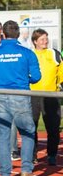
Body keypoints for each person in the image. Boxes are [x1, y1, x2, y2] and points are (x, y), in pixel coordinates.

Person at [0, 21, 41, 176]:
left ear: (3, 34)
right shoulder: (27, 53)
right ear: (18, 34)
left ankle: (5, 174)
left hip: (0, 97)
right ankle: (26, 169)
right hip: (20, 95)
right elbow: (36, 77)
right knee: (27, 132)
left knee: (3, 135)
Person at [29, 28, 62, 167]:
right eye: (42, 39)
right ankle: (32, 155)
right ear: (35, 41)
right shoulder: (29, 55)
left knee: (53, 128)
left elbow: (61, 72)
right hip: (32, 96)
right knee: (31, 127)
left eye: (46, 38)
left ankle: (52, 155)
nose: (45, 41)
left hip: (51, 96)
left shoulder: (54, 53)